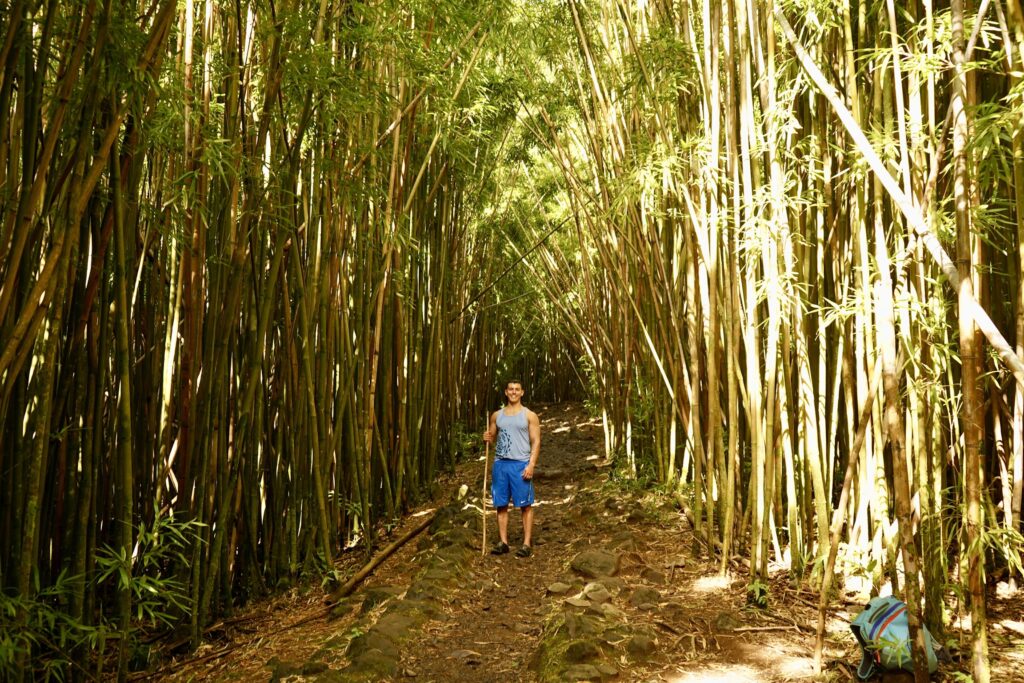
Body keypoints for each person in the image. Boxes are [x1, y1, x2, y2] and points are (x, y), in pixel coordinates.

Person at [483, 379, 541, 557]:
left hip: (520, 464)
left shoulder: (529, 415)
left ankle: (525, 543)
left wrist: (531, 464)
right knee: (500, 505)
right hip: (501, 464)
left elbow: (536, 441)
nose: (514, 392)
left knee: (525, 506)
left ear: (522, 392)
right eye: (510, 389)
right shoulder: (496, 416)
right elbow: (492, 440)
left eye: (517, 389)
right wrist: (487, 438)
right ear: (506, 392)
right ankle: (503, 542)